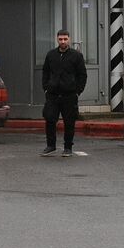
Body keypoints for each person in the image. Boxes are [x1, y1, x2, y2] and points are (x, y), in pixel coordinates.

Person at [41, 29, 87, 157]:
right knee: (49, 119)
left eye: (65, 39)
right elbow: (45, 72)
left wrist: (78, 91)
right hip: (53, 94)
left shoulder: (76, 56)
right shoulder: (51, 55)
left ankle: (68, 147)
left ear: (69, 40)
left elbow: (82, 75)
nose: (63, 42)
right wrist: (46, 87)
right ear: (57, 39)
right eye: (60, 39)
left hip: (69, 94)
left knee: (69, 121)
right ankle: (51, 145)